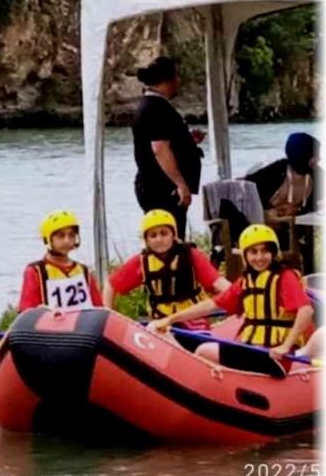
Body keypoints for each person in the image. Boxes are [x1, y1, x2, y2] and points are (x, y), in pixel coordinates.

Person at [149, 224, 314, 370]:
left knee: (204, 352)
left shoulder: (285, 277)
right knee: (205, 351)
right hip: (252, 347)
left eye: (265, 251)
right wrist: (170, 319)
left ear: (273, 253)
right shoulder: (246, 281)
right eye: (253, 252)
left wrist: (285, 346)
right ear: (245, 256)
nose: (259, 257)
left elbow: (306, 311)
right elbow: (212, 305)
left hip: (274, 357)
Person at [104, 209, 231, 330]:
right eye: (153, 235)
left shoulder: (192, 256)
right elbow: (111, 285)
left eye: (164, 233)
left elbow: (219, 283)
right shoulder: (142, 262)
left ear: (173, 235)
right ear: (146, 240)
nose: (159, 239)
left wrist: (241, 296)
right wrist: (107, 314)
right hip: (161, 322)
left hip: (194, 322)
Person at [131, 56, 206, 240]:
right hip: (161, 188)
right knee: (169, 237)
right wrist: (180, 184)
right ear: (168, 80)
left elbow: (165, 143)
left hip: (157, 186)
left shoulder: (153, 106)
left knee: (173, 234)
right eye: (175, 78)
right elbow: (160, 149)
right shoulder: (156, 108)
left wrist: (187, 142)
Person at [244, 132, 322, 271]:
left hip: (295, 227)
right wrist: (271, 212)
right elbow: (244, 192)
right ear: (302, 155)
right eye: (315, 155)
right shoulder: (275, 171)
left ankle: (308, 278)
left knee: (305, 247)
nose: (319, 158)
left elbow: (314, 205)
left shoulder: (317, 174)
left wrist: (300, 208)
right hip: (267, 228)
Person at [18, 210, 103, 312]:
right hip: (49, 327)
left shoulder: (84, 272)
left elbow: (99, 309)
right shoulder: (36, 272)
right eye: (61, 236)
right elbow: (27, 313)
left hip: (81, 327)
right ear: (48, 239)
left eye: (71, 235)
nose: (67, 241)